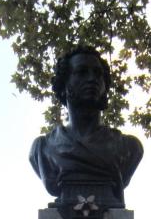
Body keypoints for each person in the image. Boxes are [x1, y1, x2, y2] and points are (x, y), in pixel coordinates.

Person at [29, 46, 143, 207]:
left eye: (98, 74)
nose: (92, 79)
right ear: (64, 85)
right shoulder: (43, 149)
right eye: (81, 72)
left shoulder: (129, 148)